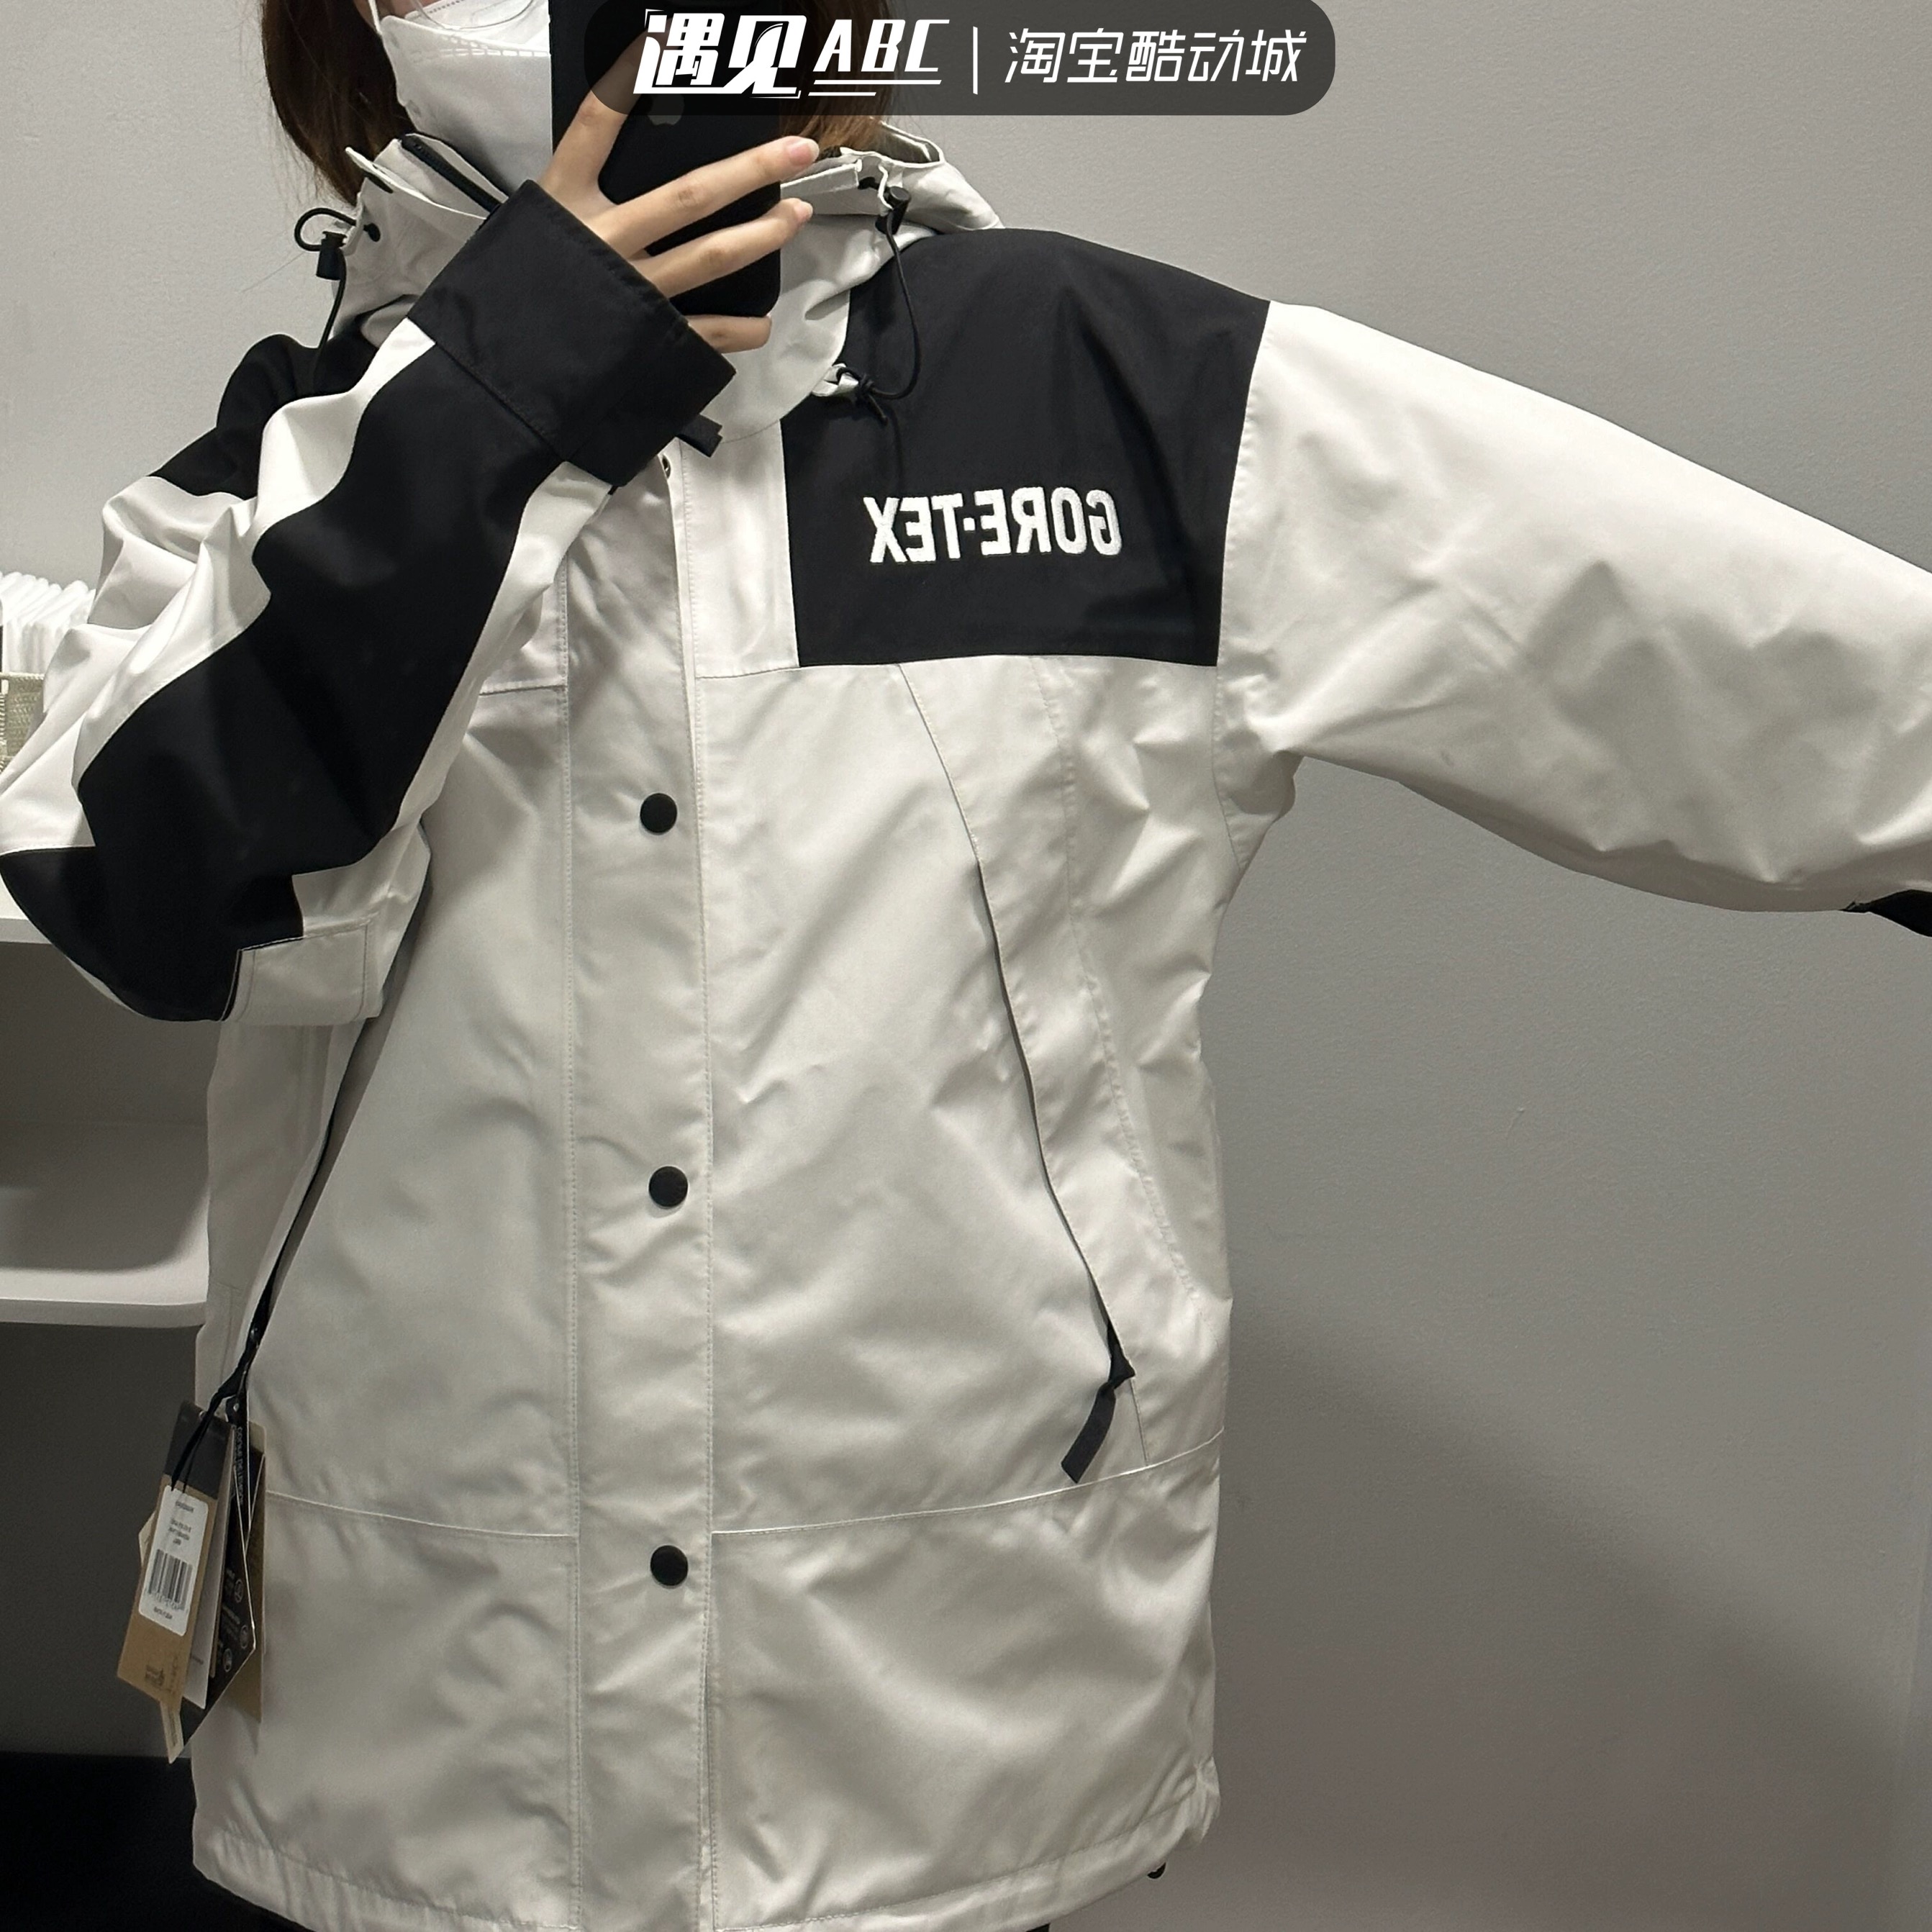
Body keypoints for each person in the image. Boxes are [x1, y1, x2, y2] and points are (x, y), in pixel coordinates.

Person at [4, 4, 1931, 1931]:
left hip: (932, 1716)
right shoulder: (288, 468)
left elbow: (1686, 640)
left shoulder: (1116, 399)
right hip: (425, 1733)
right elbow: (136, 885)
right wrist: (500, 394)